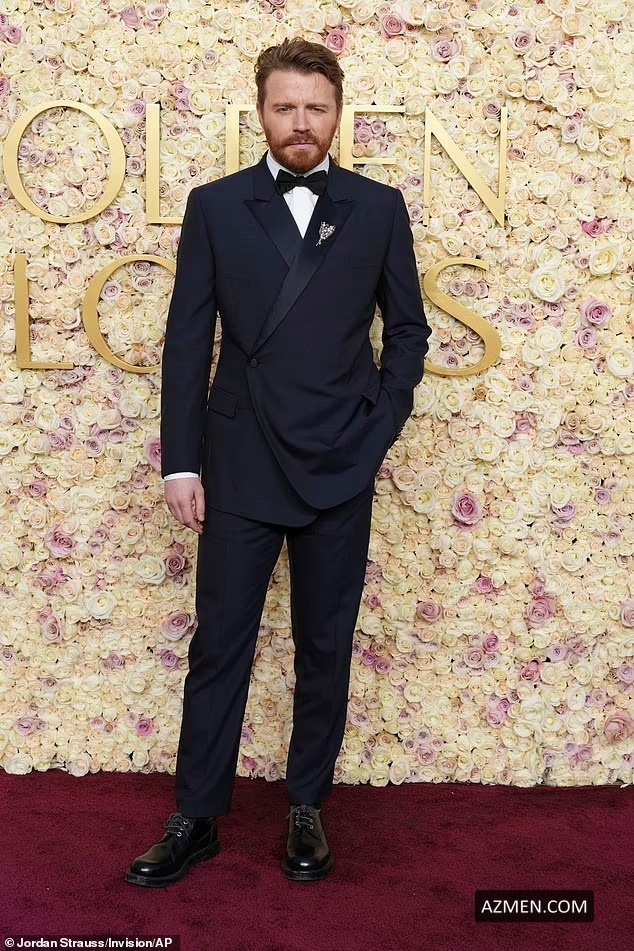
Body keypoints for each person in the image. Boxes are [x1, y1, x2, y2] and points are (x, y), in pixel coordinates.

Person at [125, 36, 431, 888]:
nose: (301, 123)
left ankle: (306, 805)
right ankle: (196, 817)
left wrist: (378, 427)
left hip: (341, 459)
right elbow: (188, 339)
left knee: (324, 643)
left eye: (316, 108)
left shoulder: (378, 207)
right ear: (261, 113)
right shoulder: (216, 205)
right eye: (285, 107)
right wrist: (180, 462)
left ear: (338, 114)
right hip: (239, 461)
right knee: (221, 643)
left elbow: (408, 331)